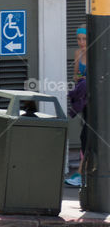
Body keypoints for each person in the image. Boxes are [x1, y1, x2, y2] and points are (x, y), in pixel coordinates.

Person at [66, 27, 88, 187]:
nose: (81, 42)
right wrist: (80, 79)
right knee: (85, 136)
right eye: (79, 39)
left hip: (94, 100)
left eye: (84, 39)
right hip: (84, 99)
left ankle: (81, 173)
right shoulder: (77, 53)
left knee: (88, 136)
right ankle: (82, 173)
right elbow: (75, 75)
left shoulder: (97, 52)